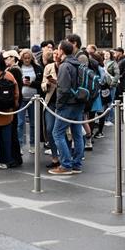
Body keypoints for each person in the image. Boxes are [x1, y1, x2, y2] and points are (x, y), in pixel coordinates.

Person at [48, 40, 86, 176]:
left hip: (68, 104)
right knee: (77, 134)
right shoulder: (77, 63)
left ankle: (66, 164)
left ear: (62, 51)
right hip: (78, 102)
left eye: (58, 49)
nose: (57, 52)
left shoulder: (65, 66)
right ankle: (76, 164)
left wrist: (59, 106)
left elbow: (63, 89)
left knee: (57, 133)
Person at [19, 48, 40, 152]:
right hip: (21, 98)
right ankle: (19, 145)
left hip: (34, 98)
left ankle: (33, 144)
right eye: (25, 58)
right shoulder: (18, 67)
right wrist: (21, 82)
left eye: (28, 58)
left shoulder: (36, 68)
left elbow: (40, 83)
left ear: (32, 58)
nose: (27, 60)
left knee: (33, 123)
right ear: (21, 58)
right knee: (20, 123)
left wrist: (31, 83)